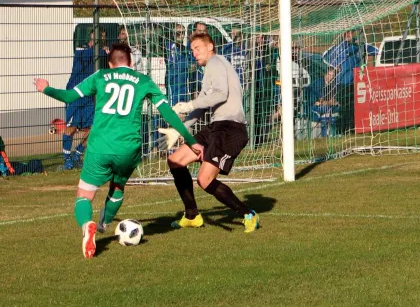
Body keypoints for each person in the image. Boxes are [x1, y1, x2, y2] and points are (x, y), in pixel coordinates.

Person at [34, 43, 201, 258]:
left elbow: (68, 97)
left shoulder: (100, 76)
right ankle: (103, 223)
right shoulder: (144, 81)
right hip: (129, 147)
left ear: (111, 63)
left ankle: (88, 225)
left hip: (100, 145)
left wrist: (45, 88)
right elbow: (167, 113)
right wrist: (190, 140)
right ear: (131, 62)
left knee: (84, 195)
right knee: (118, 185)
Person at [157, 33, 259, 233]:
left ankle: (248, 214)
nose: (194, 53)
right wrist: (179, 131)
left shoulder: (215, 62)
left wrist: (187, 104)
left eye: (197, 48)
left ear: (210, 46)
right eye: (192, 49)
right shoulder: (210, 70)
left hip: (230, 129)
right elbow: (202, 107)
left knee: (204, 180)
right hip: (216, 126)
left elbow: (221, 94)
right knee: (175, 161)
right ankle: (192, 215)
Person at [62, 30, 108, 170]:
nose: (101, 37)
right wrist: (104, 53)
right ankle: (67, 158)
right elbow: (89, 57)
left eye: (103, 36)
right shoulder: (81, 48)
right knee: (71, 127)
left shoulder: (102, 53)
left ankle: (78, 153)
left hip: (89, 96)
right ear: (91, 35)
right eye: (98, 34)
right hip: (75, 93)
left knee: (95, 128)